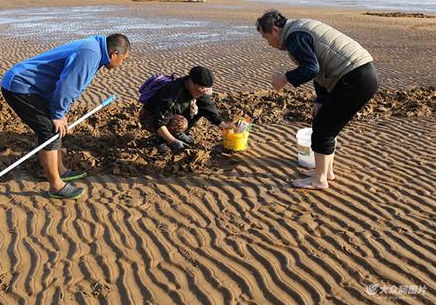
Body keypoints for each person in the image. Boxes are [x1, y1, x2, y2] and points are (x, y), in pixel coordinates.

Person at [256, 10, 378, 190]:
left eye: (266, 38)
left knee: (322, 130)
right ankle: (325, 172)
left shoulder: (293, 37)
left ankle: (320, 180)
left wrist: (285, 78)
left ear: (275, 30)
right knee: (326, 126)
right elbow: (319, 68)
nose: (269, 44)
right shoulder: (298, 28)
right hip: (361, 74)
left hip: (355, 78)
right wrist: (321, 99)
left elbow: (311, 68)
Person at [1, 34, 130, 199]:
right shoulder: (91, 54)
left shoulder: (95, 48)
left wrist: (59, 113)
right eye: (123, 59)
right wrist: (57, 113)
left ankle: (60, 170)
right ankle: (56, 185)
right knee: (49, 131)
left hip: (33, 87)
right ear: (113, 54)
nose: (122, 64)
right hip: (20, 85)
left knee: (55, 126)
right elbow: (68, 85)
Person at [139, 66, 234, 153]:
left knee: (199, 111)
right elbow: (158, 123)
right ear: (191, 82)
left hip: (171, 114)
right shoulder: (172, 97)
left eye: (205, 90)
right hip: (150, 117)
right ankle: (158, 140)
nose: (203, 93)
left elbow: (207, 106)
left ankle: (177, 133)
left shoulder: (198, 90)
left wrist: (222, 124)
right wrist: (173, 142)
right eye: (201, 90)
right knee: (180, 123)